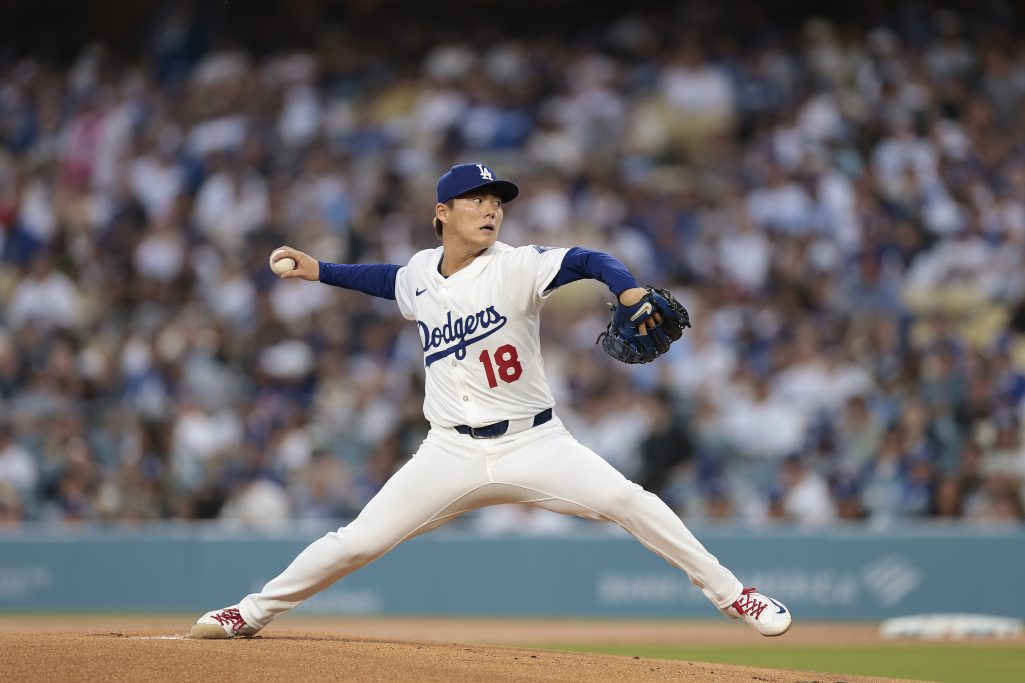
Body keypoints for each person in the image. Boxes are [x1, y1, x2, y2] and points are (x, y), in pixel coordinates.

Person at [190, 163, 792, 639]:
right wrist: (318, 269)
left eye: (497, 201)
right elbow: (384, 278)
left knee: (629, 501)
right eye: (477, 200)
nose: (491, 210)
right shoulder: (421, 273)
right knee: (358, 541)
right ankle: (250, 613)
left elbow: (587, 258)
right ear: (442, 213)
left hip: (535, 442)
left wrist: (627, 287)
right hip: (448, 451)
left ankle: (734, 594)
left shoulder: (516, 267)